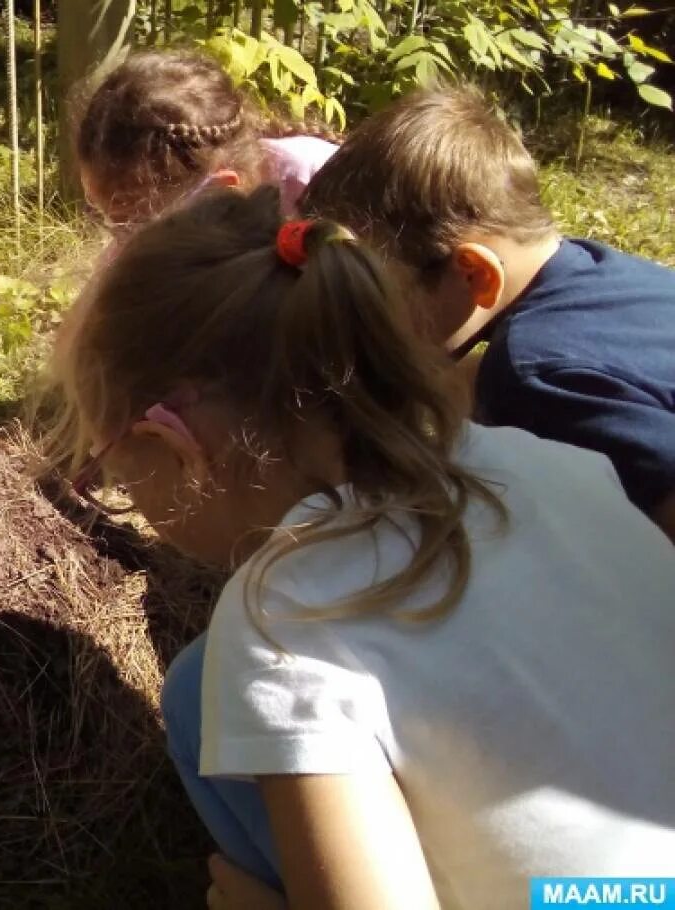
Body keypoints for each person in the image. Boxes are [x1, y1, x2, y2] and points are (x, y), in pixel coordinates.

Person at [50, 184, 675, 909]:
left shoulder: (285, 621)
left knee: (206, 693)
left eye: (112, 472)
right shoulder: (548, 462)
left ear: (172, 446)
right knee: (196, 684)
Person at [300, 84, 675, 543]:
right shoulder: (593, 272)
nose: (363, 322)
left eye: (375, 299)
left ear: (475, 274)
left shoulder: (531, 375)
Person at [74, 50, 338, 255]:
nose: (121, 243)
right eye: (105, 216)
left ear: (221, 191)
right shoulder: (143, 237)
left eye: (132, 224)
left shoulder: (317, 184)